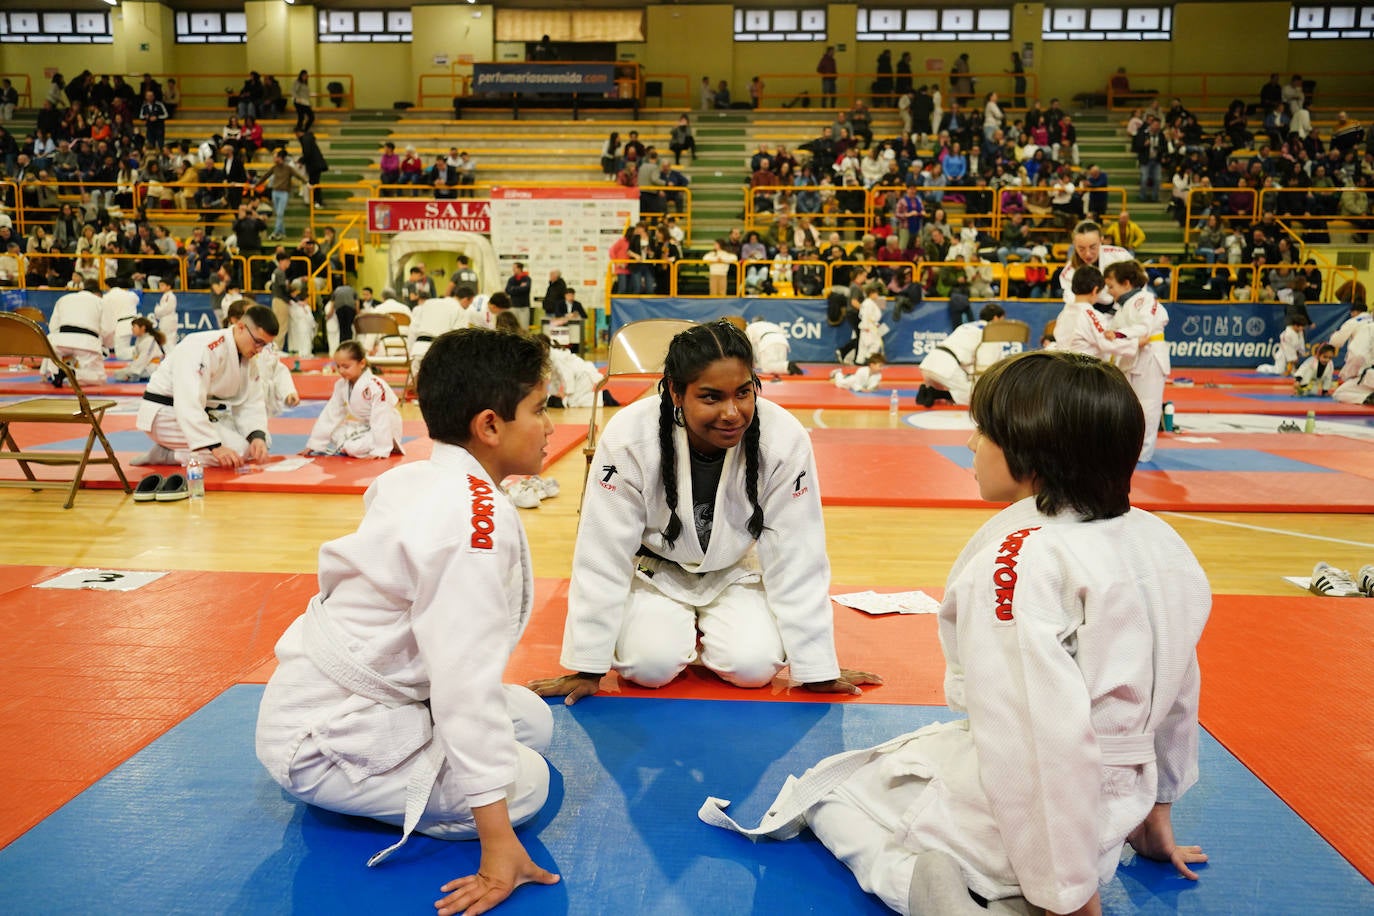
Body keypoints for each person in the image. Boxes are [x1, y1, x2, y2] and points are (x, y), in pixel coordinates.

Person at [702, 350, 1210, 916]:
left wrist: (1072, 897)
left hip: (1035, 821)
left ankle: (942, 894)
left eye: (983, 431)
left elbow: (1036, 739)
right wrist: (1155, 811)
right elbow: (1178, 688)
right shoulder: (1159, 543)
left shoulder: (1025, 563)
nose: (970, 445)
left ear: (1032, 455)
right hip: (1112, 814)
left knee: (831, 795)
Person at [256, 329, 560, 916]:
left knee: (534, 723)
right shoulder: (471, 528)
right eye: (540, 409)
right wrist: (499, 843)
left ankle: (385, 781)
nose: (549, 426)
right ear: (490, 426)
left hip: (354, 693)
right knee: (528, 786)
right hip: (317, 738)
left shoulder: (421, 475)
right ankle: (367, 795)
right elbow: (462, 686)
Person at [530, 320, 880, 703]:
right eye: (711, 397)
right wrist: (588, 664)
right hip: (655, 571)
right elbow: (602, 553)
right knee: (649, 666)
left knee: (753, 667)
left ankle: (712, 625)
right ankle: (671, 625)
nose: (732, 413)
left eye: (743, 393)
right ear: (677, 392)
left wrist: (816, 666)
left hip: (734, 571)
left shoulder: (782, 438)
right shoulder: (631, 436)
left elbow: (798, 554)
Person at [132, 304, 280, 469]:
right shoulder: (203, 347)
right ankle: (169, 455)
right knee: (236, 452)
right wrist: (215, 447)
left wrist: (257, 436)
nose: (259, 350)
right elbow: (188, 401)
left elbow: (251, 402)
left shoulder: (248, 357)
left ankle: (186, 449)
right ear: (240, 327)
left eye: (265, 345)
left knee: (257, 444)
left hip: (200, 414)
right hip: (165, 414)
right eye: (258, 342)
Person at [1104, 260, 1171, 461]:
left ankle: (1143, 453)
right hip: (1131, 356)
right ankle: (1129, 450)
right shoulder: (1123, 307)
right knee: (1128, 408)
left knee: (1148, 407)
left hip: (1150, 356)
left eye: (1111, 286)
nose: (1109, 291)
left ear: (1126, 283)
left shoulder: (1145, 299)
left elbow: (1144, 329)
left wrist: (1117, 334)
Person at [303, 341, 404, 459]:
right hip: (366, 426)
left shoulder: (375, 386)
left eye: (346, 366)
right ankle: (352, 445)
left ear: (361, 363)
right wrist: (315, 443)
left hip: (387, 428)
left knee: (352, 447)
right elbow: (331, 414)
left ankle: (381, 446)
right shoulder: (341, 385)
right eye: (338, 366)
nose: (341, 371)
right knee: (334, 433)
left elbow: (382, 418)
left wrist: (381, 450)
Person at [915, 303, 1008, 407]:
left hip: (929, 363)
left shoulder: (967, 326)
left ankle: (931, 392)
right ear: (996, 318)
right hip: (947, 369)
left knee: (961, 382)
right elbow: (984, 366)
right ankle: (934, 393)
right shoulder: (990, 333)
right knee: (978, 395)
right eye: (1002, 319)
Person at [1051, 265, 1139, 366]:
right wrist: (1136, 343)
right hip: (1084, 368)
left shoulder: (1064, 313)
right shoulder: (1089, 314)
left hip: (1064, 366)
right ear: (1095, 290)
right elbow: (1106, 343)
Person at [40, 278, 107, 387]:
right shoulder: (99, 301)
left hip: (61, 341)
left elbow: (53, 327)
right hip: (87, 343)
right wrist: (104, 344)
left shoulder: (64, 299)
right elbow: (106, 329)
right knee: (99, 377)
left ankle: (56, 374)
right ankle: (73, 373)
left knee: (56, 350)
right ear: (97, 293)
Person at [1058, 220, 1131, 309]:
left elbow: (1139, 287)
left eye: (1093, 247)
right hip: (1090, 316)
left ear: (1101, 239)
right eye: (1081, 248)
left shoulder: (1120, 256)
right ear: (1074, 244)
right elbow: (1075, 306)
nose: (1088, 254)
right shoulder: (1068, 274)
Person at [112, 317, 165, 382]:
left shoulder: (149, 340)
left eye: (134, 327)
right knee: (117, 373)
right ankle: (135, 375)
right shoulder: (140, 339)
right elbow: (137, 358)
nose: (132, 329)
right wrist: (130, 368)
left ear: (143, 328)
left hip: (151, 368)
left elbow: (143, 359)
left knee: (121, 374)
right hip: (142, 367)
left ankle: (137, 376)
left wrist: (133, 372)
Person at [153, 276, 178, 355]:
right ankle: (170, 357)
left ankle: (172, 357)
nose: (160, 287)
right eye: (160, 285)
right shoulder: (166, 296)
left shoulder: (169, 296)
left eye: (162, 285)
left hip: (168, 321)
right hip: (166, 320)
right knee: (166, 341)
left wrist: (157, 310)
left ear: (169, 286)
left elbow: (166, 309)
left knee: (169, 341)